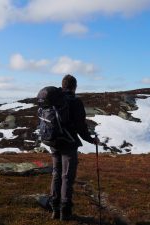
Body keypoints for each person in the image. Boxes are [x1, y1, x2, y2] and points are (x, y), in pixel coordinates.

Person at [49, 74, 99, 221]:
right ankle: (65, 211)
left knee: (56, 173)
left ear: (63, 85)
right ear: (74, 87)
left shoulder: (53, 100)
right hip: (69, 144)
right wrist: (91, 139)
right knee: (67, 176)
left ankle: (55, 209)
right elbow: (81, 127)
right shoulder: (75, 102)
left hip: (54, 143)